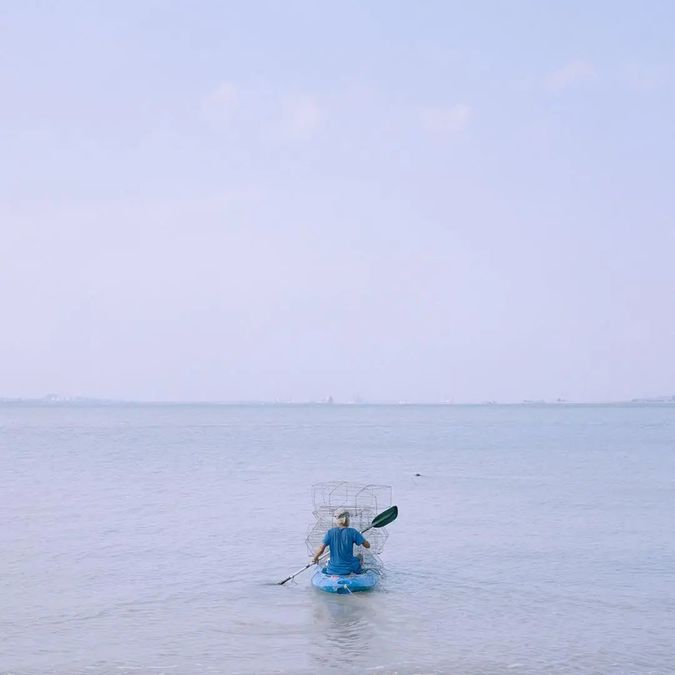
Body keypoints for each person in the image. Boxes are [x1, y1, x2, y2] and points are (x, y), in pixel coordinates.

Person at [312, 508, 370, 575]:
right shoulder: (353, 532)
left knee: (329, 559)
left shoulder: (330, 532)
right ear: (348, 520)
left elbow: (321, 549)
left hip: (332, 569)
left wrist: (315, 558)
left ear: (337, 520)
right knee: (359, 556)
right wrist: (361, 537)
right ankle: (357, 570)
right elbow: (367, 546)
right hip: (348, 569)